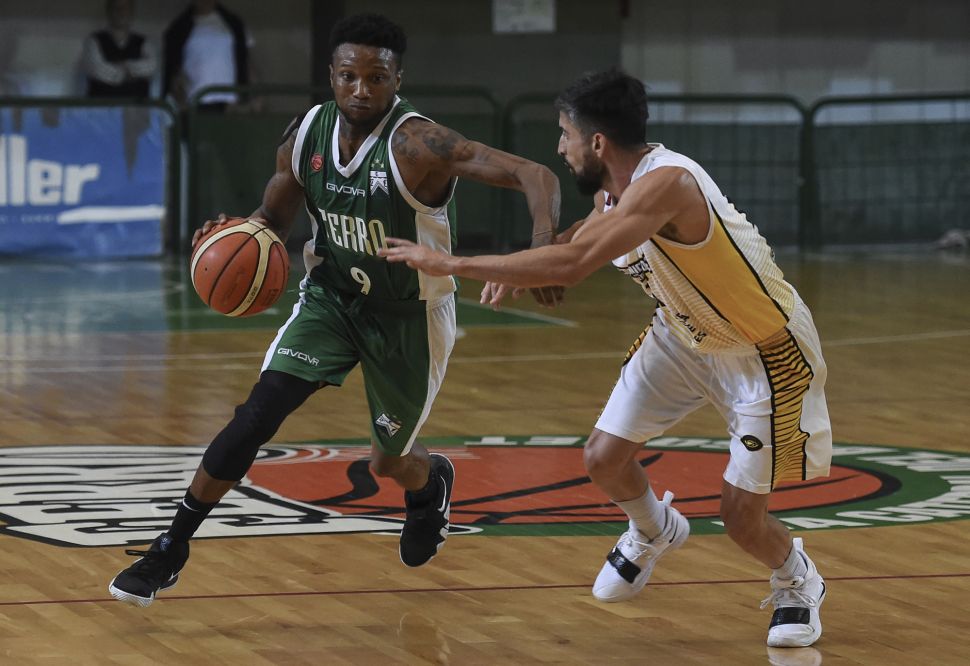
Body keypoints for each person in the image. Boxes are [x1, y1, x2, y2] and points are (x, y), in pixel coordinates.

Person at [108, 13, 561, 607]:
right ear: (332, 75)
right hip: (332, 299)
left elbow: (536, 174)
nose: (361, 89)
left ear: (398, 79)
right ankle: (170, 548)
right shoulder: (306, 135)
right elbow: (273, 218)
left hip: (408, 316)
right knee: (255, 416)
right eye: (350, 76)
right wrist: (240, 234)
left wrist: (542, 250)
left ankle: (430, 483)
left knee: (389, 463)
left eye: (377, 77)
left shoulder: (418, 144)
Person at [381, 68, 832, 649]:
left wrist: (452, 264)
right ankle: (653, 529)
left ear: (596, 142)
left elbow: (576, 264)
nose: (559, 147)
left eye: (564, 135)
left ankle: (797, 578)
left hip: (763, 350)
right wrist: (525, 264)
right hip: (683, 334)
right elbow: (583, 234)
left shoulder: (668, 184)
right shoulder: (614, 191)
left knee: (741, 519)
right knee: (602, 458)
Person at [162, 0, 254, 111]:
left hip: (230, 102)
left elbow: (246, 61)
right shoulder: (179, 28)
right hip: (194, 102)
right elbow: (172, 66)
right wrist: (179, 98)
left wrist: (254, 95)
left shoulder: (234, 24)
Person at [81, 0, 157, 99]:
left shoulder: (144, 42)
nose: (121, 11)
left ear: (132, 12)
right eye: (116, 8)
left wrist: (126, 66)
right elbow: (97, 69)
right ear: (108, 11)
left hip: (136, 107)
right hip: (101, 107)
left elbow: (152, 67)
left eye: (125, 8)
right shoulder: (93, 41)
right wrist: (130, 73)